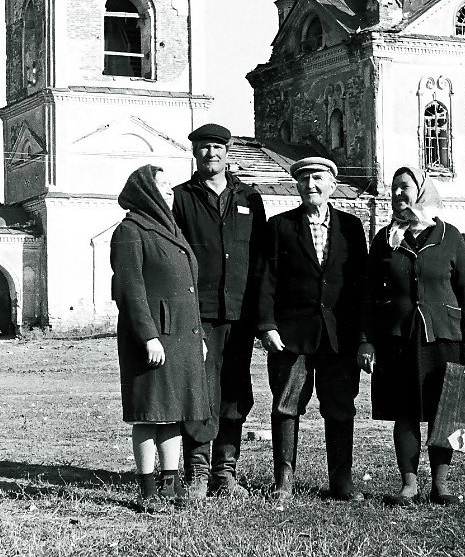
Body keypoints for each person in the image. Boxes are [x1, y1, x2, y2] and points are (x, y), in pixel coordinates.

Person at [357, 165, 465, 506]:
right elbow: (368, 294)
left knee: (445, 411)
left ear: (422, 191)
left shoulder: (450, 236)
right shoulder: (385, 239)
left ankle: (440, 485)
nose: (398, 194)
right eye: (394, 188)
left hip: (444, 336)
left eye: (404, 187)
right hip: (396, 338)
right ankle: (409, 484)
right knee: (405, 410)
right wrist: (367, 340)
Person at [256, 157, 368, 502]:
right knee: (287, 406)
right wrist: (267, 326)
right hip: (292, 336)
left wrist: (364, 338)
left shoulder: (351, 227)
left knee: (339, 407)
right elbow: (266, 280)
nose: (310, 185)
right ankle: (283, 483)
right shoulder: (280, 226)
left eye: (317, 178)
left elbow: (361, 287)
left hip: (339, 337)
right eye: (303, 180)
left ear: (332, 184)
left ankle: (341, 482)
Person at [110, 165, 214, 512]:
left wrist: (196, 334)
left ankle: (171, 485)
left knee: (173, 414)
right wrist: (148, 337)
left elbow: (188, 289)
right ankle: (148, 489)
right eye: (163, 189)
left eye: (171, 190)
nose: (169, 195)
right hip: (154, 340)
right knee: (148, 415)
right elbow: (130, 291)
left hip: (182, 337)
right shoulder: (130, 230)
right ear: (145, 193)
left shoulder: (171, 230)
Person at [172, 123, 267, 498]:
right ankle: (196, 471)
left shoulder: (250, 198)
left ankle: (225, 471)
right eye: (203, 147)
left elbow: (259, 259)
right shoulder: (181, 198)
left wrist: (261, 315)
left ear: (228, 152)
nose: (210, 153)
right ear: (194, 153)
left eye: (217, 147)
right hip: (199, 314)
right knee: (199, 390)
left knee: (235, 390)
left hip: (239, 313)